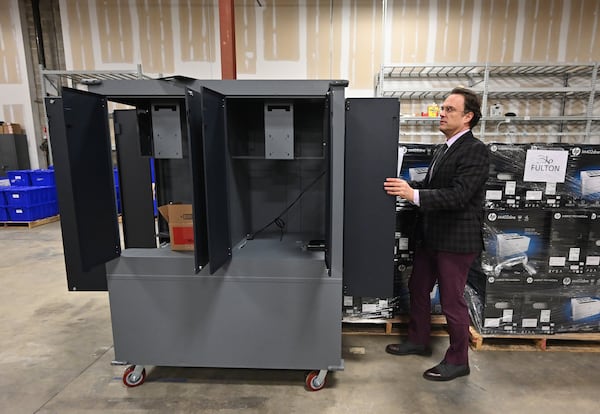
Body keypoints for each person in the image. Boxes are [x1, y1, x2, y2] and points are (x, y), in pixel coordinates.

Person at [383, 87, 489, 381]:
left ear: (468, 117)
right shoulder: (445, 148)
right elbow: (436, 189)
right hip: (432, 236)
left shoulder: (475, 150)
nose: (441, 114)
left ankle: (458, 360)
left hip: (456, 240)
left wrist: (412, 194)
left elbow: (459, 196)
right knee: (418, 287)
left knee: (453, 301)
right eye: (442, 109)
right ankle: (418, 339)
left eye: (449, 110)